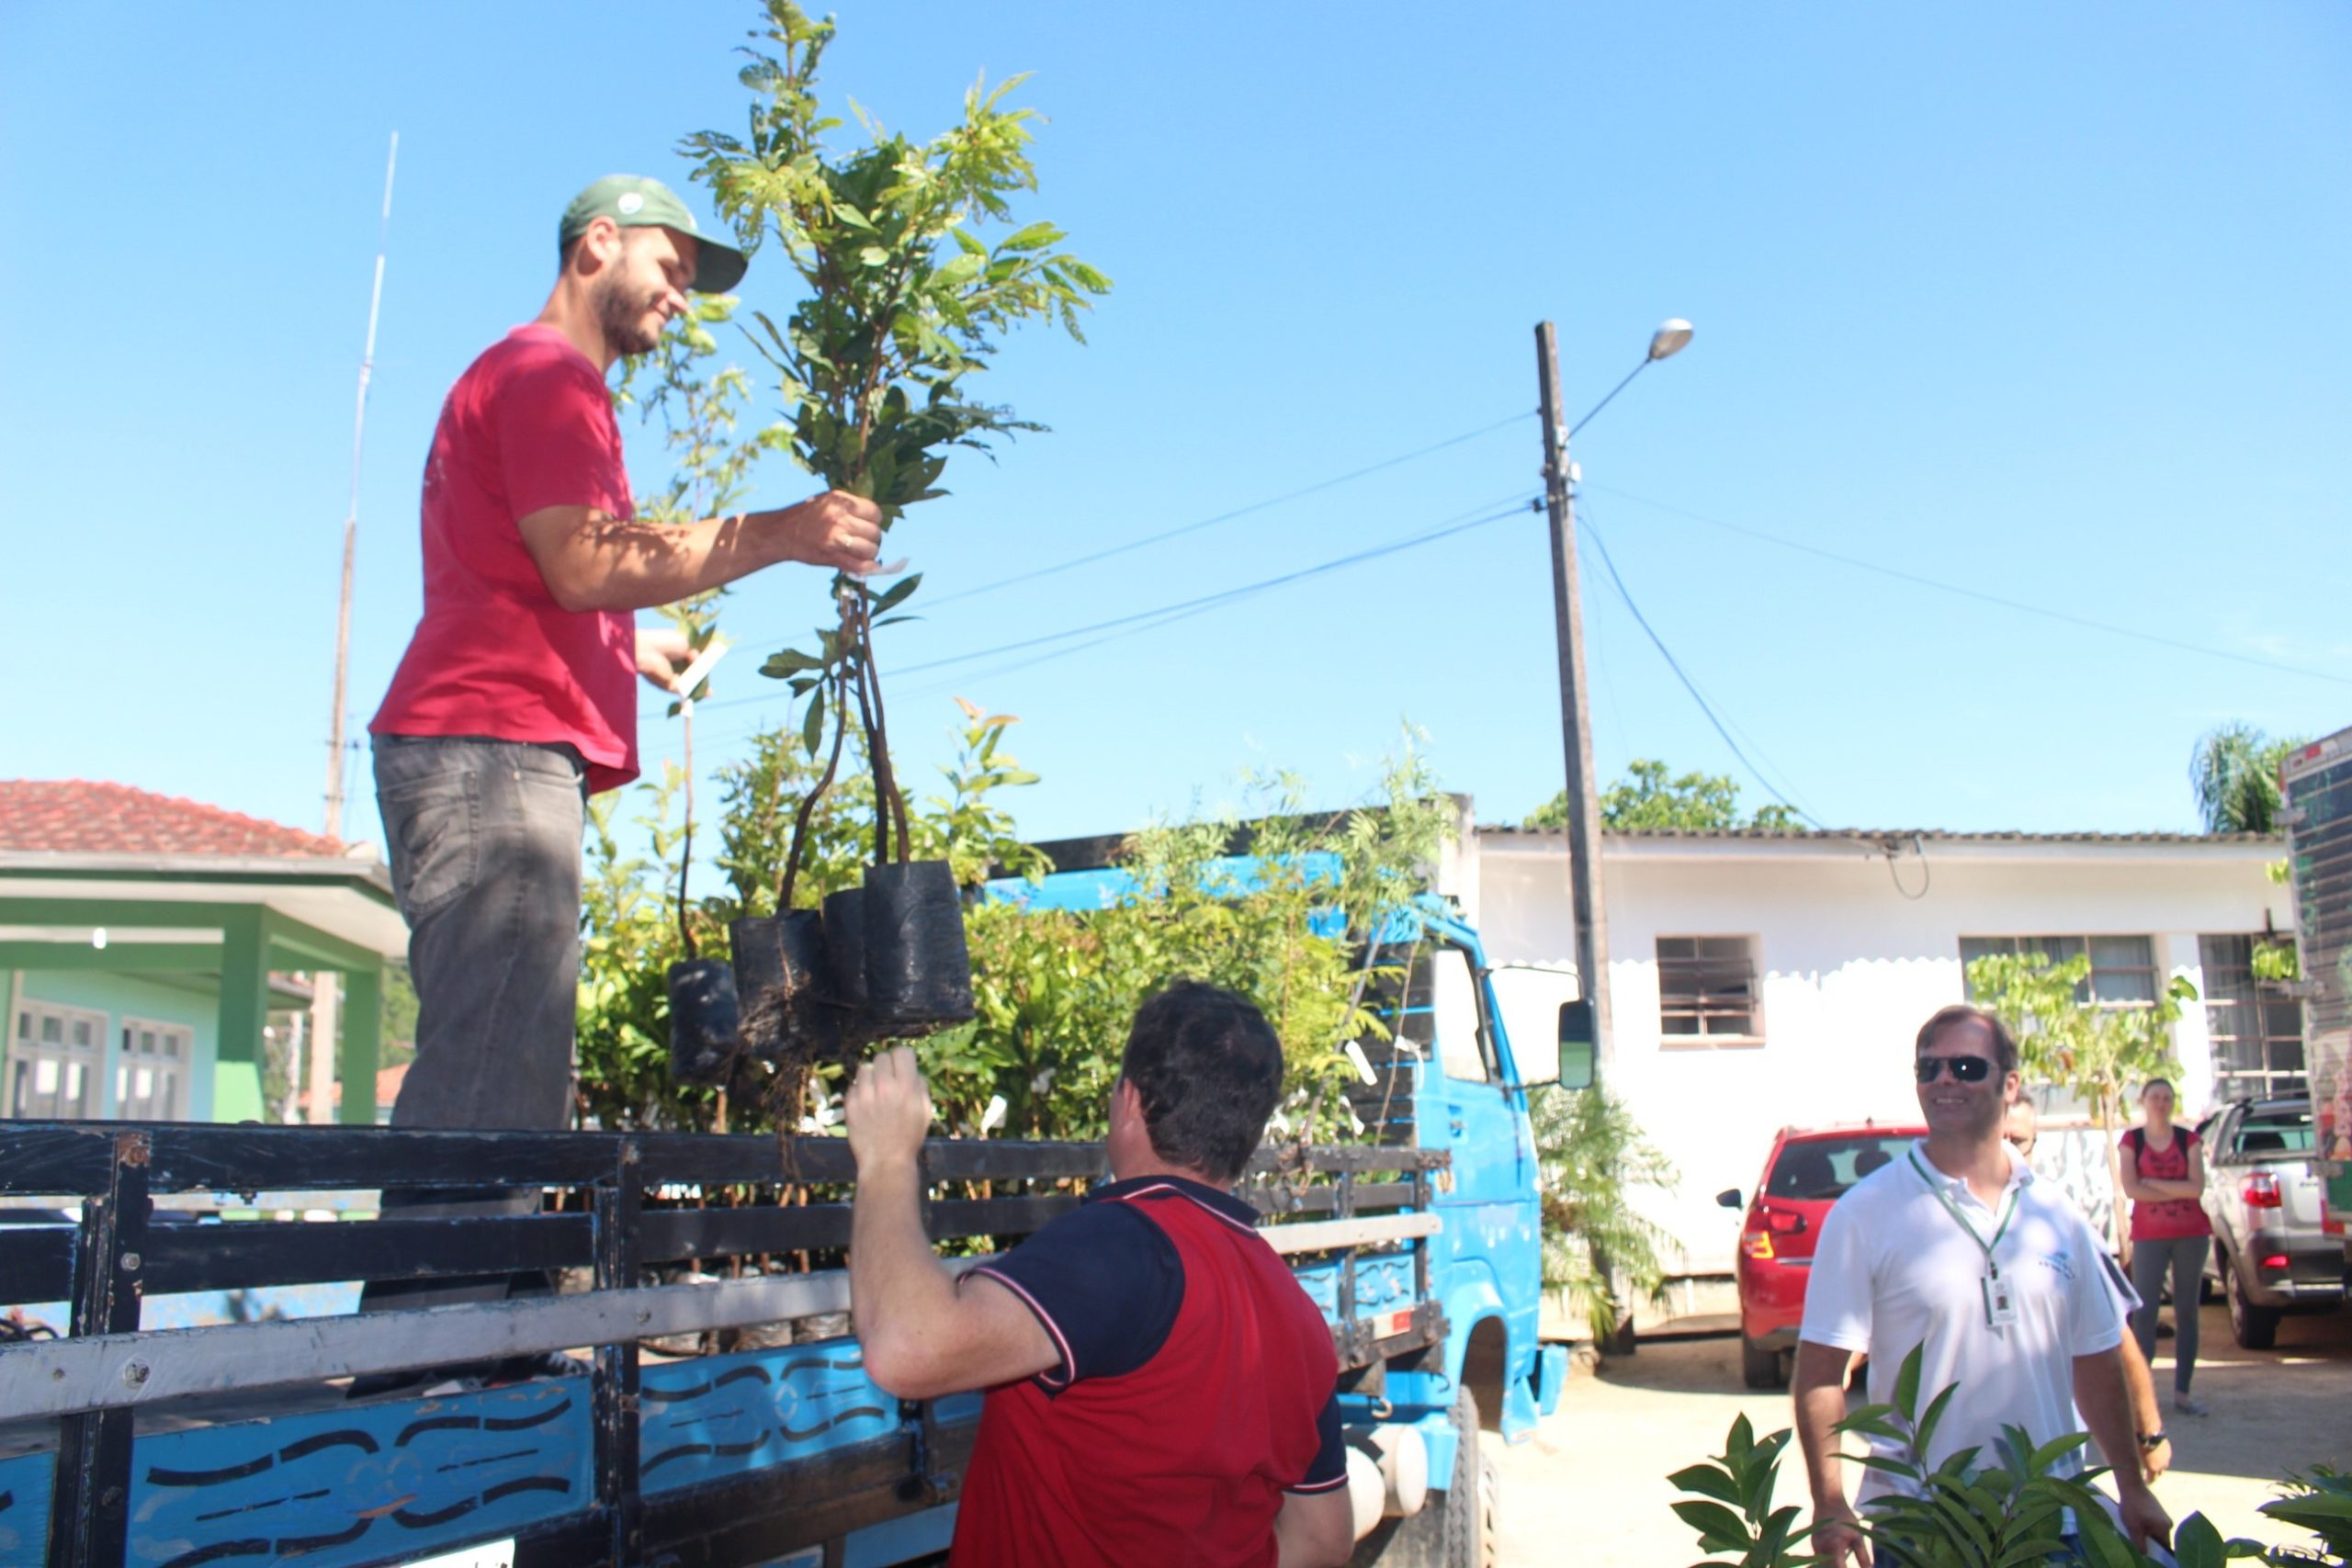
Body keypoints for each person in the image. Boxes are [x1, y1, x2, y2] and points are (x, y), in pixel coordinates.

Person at [355, 175, 881, 1351]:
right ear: (599, 243)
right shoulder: (550, 376)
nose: (681, 301)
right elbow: (588, 560)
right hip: (489, 746)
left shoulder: (527, 380)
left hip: (488, 733)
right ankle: (418, 1374)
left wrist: (623, 644)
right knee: (492, 1074)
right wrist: (784, 534)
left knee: (507, 1066)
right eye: (671, 270)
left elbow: (538, 572)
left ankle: (444, 1349)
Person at [842, 981, 1354, 1567]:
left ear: (1130, 1101)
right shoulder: (1299, 1319)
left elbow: (906, 1348)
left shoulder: (1123, 1242)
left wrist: (886, 1157)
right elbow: (1323, 1540)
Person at [1793, 1005, 2171, 1566]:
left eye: (1967, 1067)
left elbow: (2095, 1358)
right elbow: (1820, 1371)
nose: (1945, 1079)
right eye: (1930, 1068)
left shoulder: (2055, 1214)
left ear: (2009, 1083)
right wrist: (1830, 1501)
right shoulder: (1865, 1214)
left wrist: (2131, 1487)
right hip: (1923, 1523)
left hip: (2051, 1519)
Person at [2004, 1099, 2172, 1484]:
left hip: (2047, 1468)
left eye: (2019, 1140)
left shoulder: (2058, 1220)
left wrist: (2149, 1433)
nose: (2009, 1150)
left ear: (2036, 1142)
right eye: (2001, 1138)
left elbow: (2114, 1338)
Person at [2120, 1077, 2214, 1417]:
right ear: (2144, 1101)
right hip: (2148, 1235)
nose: (2161, 1103)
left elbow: (2197, 1188)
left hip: (2191, 1233)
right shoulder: (2132, 1140)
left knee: (2187, 1310)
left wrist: (2154, 1184)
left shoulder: (2187, 1138)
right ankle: (2143, 1399)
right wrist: (2176, 1187)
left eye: (2167, 1098)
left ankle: (2183, 1393)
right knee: (2144, 1314)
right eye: (2155, 1097)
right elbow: (2131, 1188)